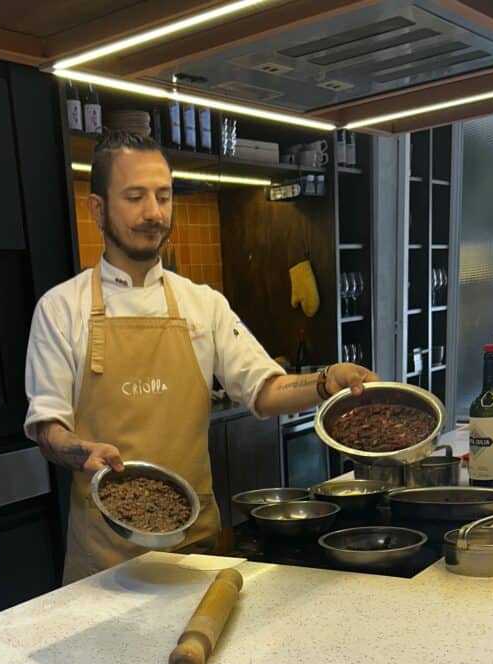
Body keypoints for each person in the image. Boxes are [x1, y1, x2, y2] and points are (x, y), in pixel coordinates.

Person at [25, 130, 377, 583]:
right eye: (134, 197)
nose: (153, 213)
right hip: (105, 562)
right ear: (97, 208)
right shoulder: (60, 308)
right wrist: (81, 453)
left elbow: (264, 390)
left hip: (195, 551)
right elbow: (48, 427)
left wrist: (327, 380)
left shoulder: (202, 303)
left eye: (163, 196)